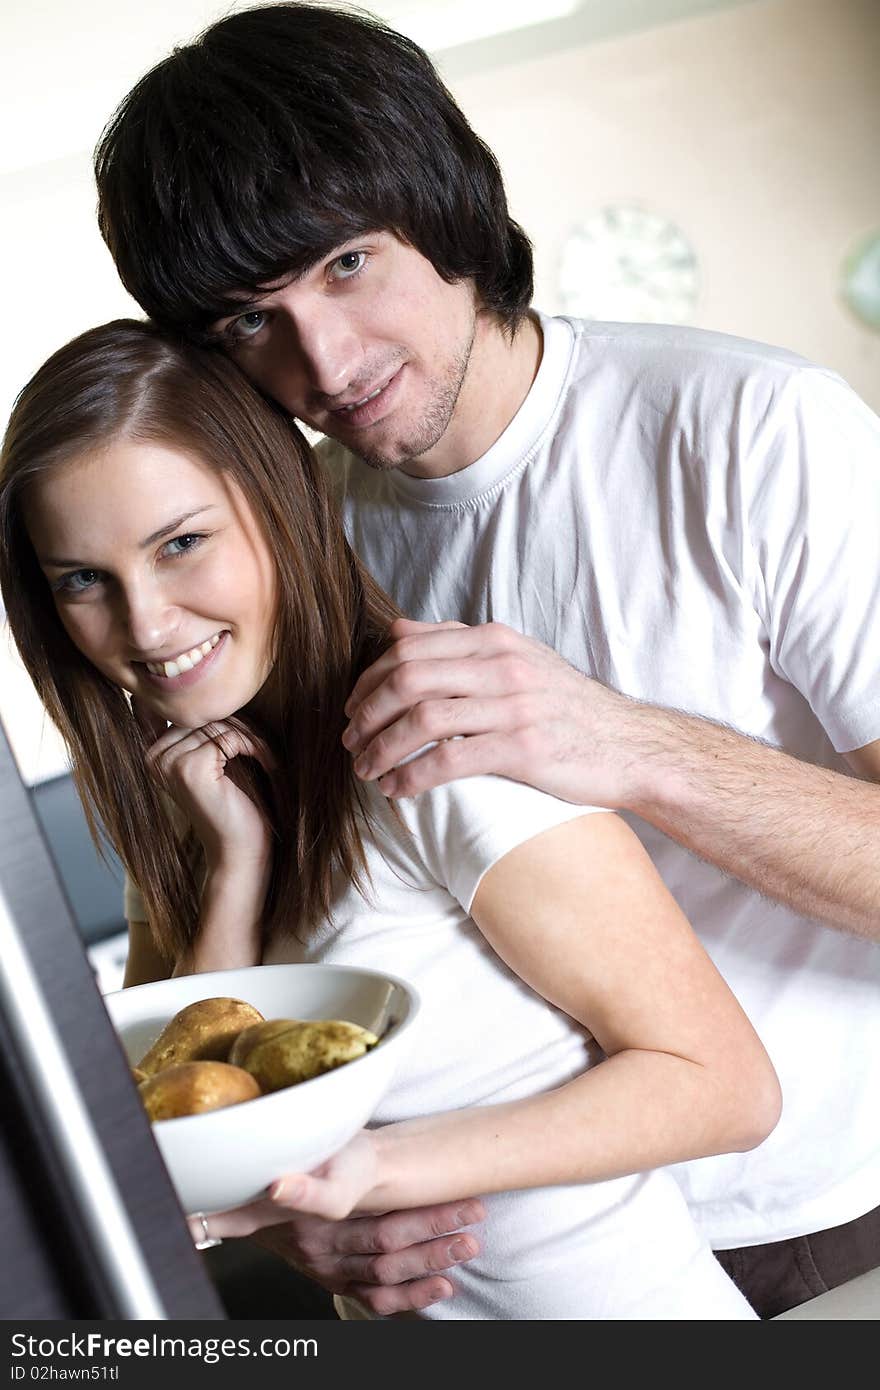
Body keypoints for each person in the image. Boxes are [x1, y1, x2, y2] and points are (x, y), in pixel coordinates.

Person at [91, 4, 880, 1319]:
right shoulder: (293, 552)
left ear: (444, 203)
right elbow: (248, 994)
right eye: (248, 323)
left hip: (835, 1210)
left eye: (346, 262)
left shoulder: (755, 428)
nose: (324, 362)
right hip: (533, 1259)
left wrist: (627, 745)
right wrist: (299, 1226)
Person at [0, 318, 783, 1320]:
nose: (146, 625)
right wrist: (234, 867)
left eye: (181, 544)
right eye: (84, 581)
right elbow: (179, 1131)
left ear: (279, 509)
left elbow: (721, 1083)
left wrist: (372, 1168)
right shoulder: (190, 812)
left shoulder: (443, 744)